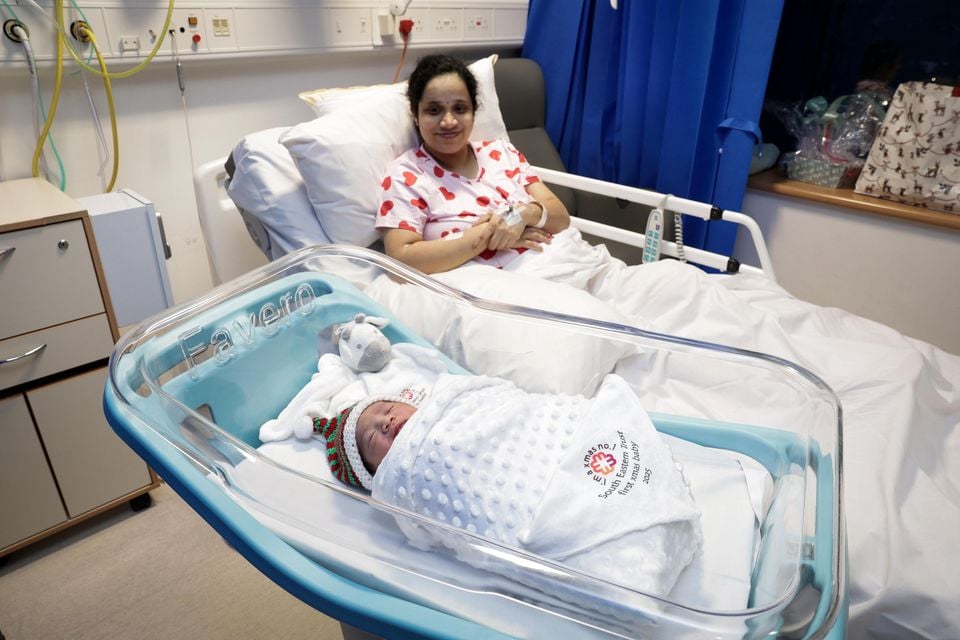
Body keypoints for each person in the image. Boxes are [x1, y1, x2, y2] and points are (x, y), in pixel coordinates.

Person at [377, 54, 571, 274]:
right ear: (415, 114)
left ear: (473, 112)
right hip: (494, 283)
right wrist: (488, 236)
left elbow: (560, 218)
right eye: (434, 110)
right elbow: (402, 260)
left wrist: (523, 214)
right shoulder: (406, 175)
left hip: (562, 260)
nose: (449, 121)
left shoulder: (502, 152)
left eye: (460, 109)